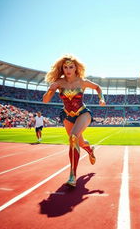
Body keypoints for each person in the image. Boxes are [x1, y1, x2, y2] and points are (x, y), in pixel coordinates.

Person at [43, 54, 106, 187]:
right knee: (79, 141)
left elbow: (98, 87)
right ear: (62, 68)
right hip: (67, 115)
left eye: (71, 67)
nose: (68, 70)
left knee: (73, 137)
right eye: (65, 67)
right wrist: (51, 89)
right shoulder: (59, 83)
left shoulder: (82, 81)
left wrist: (101, 98)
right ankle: (89, 149)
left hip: (82, 113)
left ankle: (73, 175)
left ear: (76, 68)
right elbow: (45, 100)